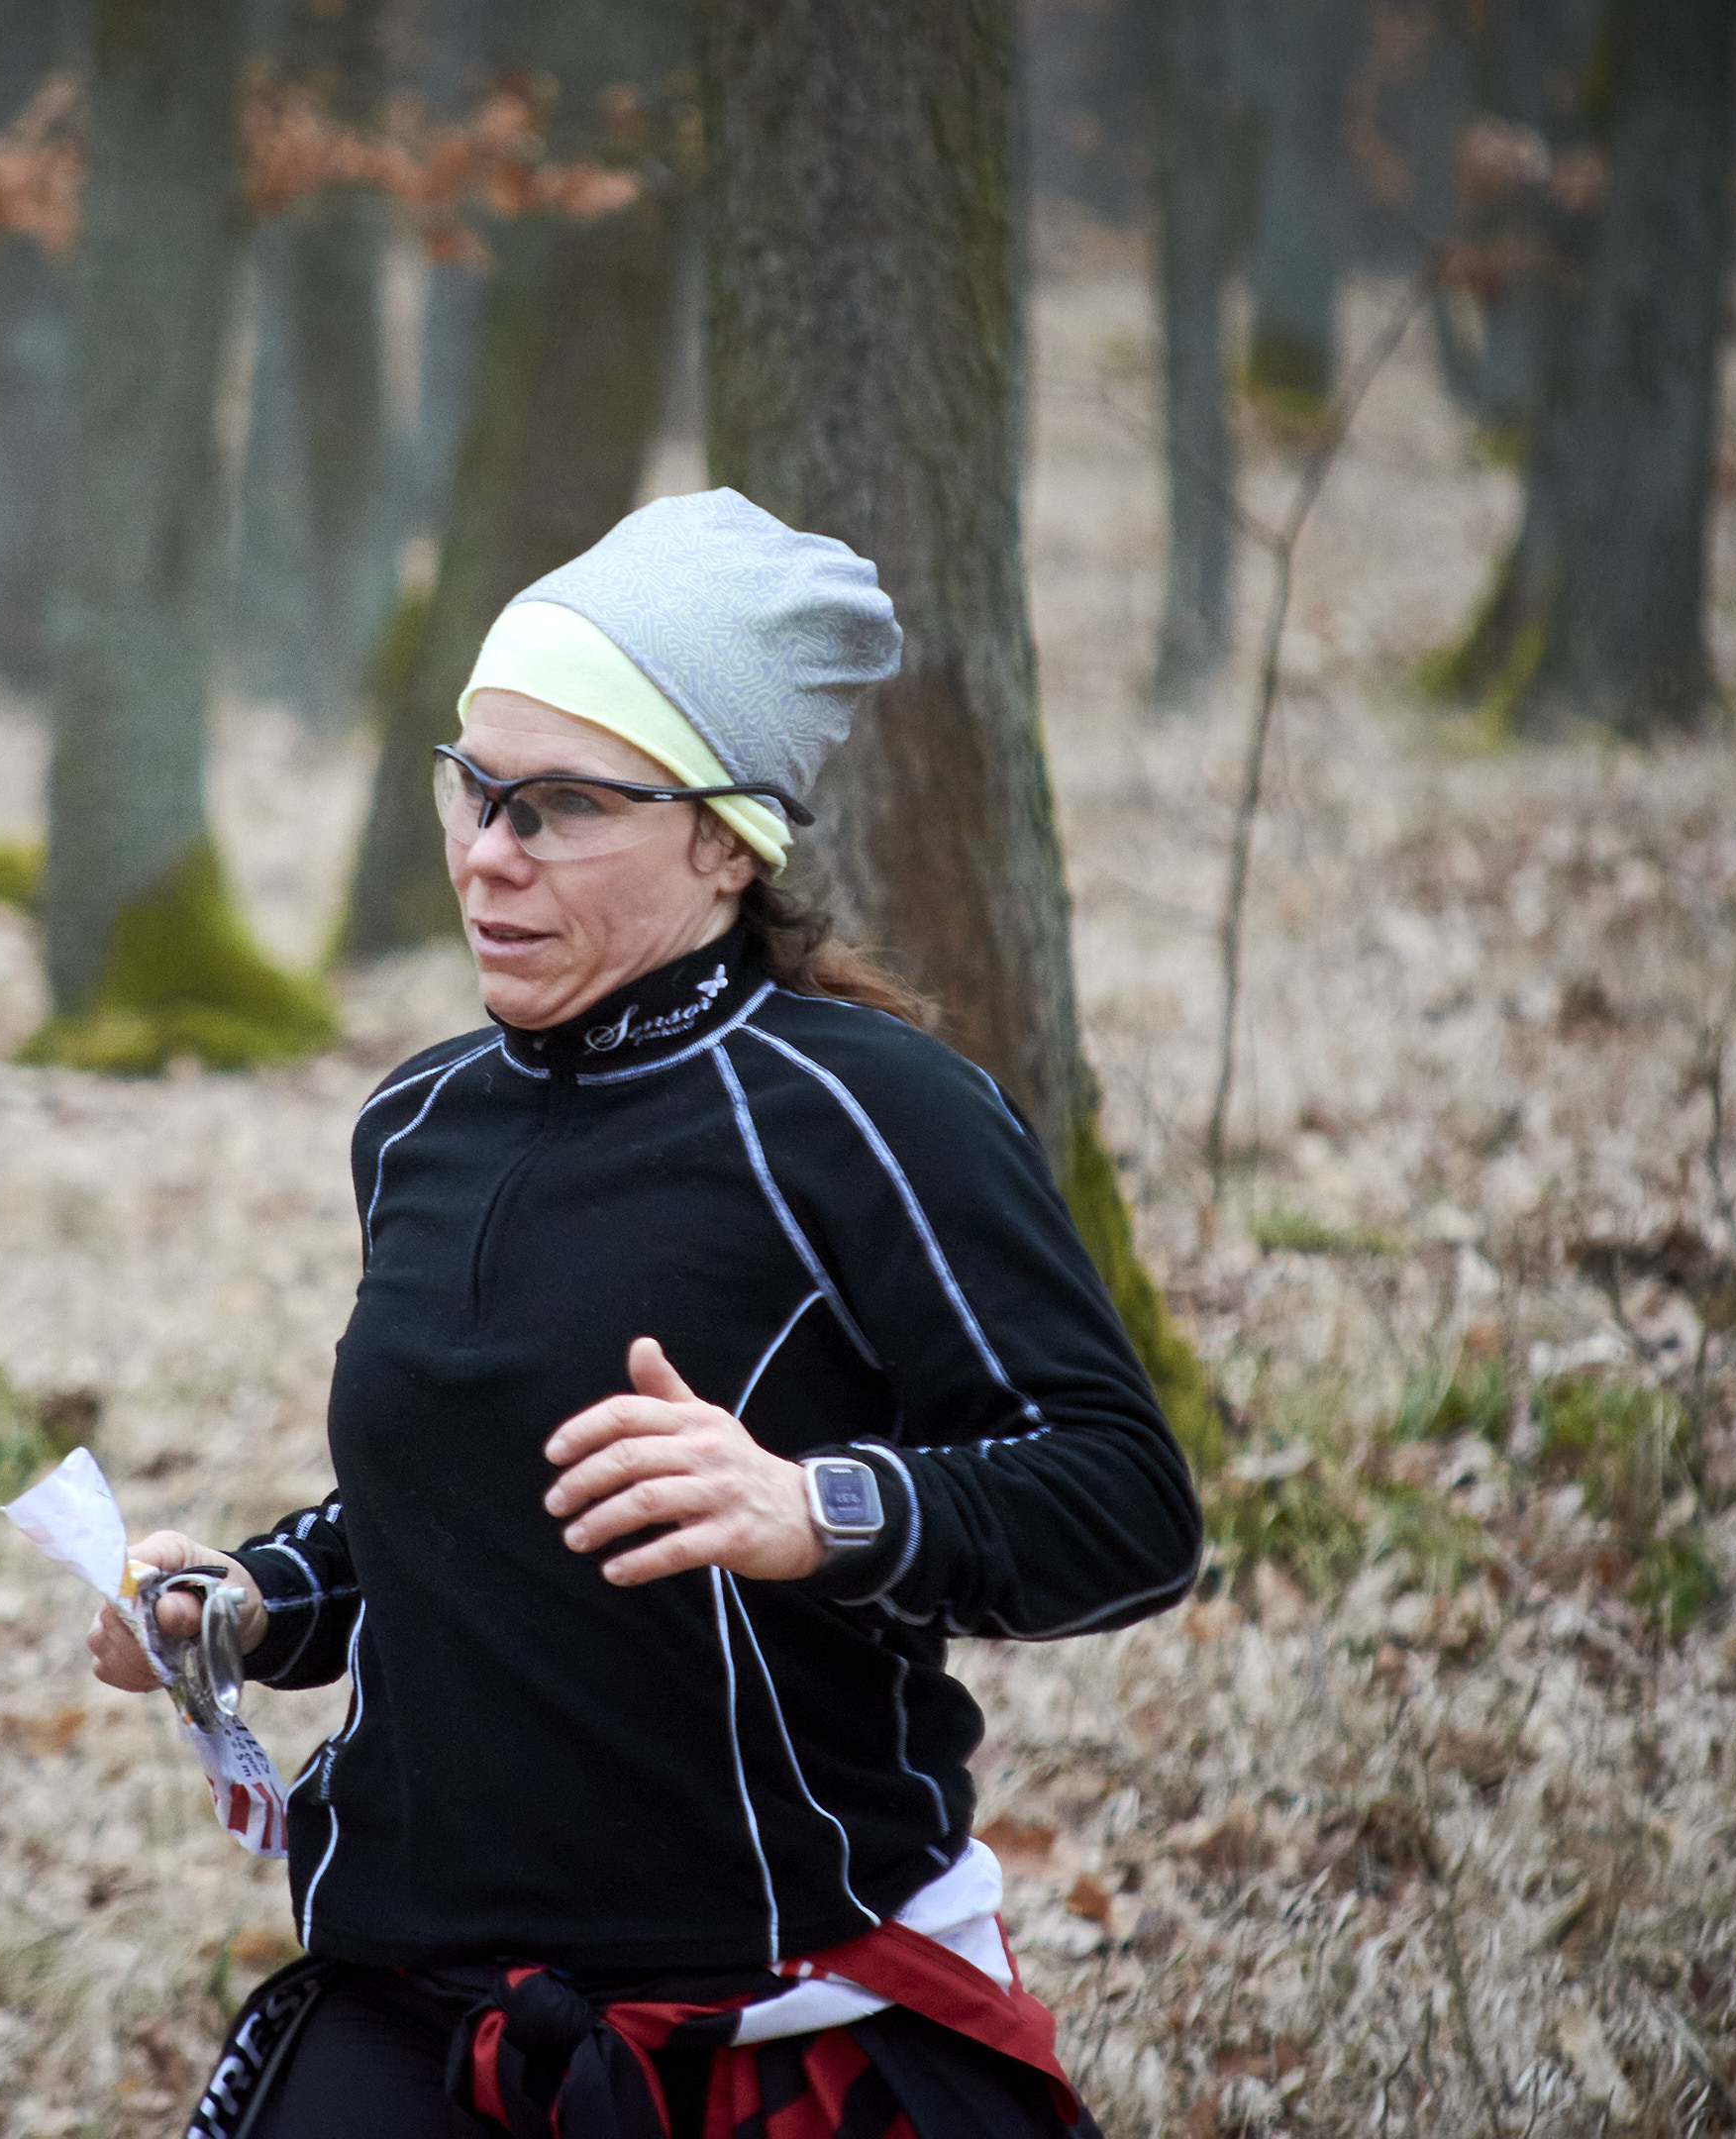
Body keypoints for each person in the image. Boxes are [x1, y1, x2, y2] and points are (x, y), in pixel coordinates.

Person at [87, 489, 1203, 2138]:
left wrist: (813, 1509)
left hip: (773, 2008)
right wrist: (249, 1602)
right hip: (413, 1989)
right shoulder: (416, 1123)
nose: (484, 853)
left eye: (555, 807)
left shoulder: (873, 1113)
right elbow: (455, 1502)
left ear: (722, 840)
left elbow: (1125, 1508)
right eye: (472, 786)